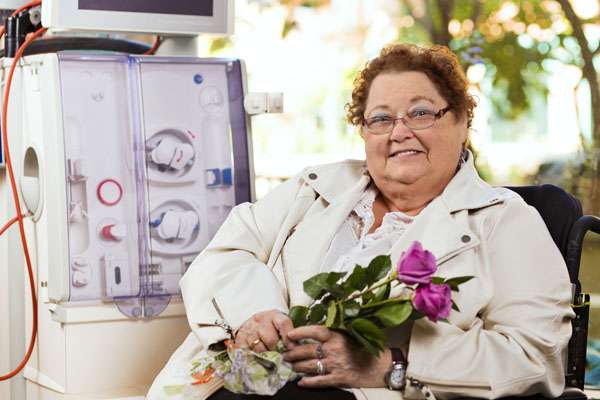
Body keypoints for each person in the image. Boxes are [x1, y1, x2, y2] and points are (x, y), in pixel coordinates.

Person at [148, 43, 574, 400]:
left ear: (463, 120)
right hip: (241, 385)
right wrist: (253, 312)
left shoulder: (507, 221)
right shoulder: (313, 187)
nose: (399, 131)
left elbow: (534, 357)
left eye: (421, 113)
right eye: (381, 118)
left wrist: (390, 366)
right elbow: (227, 252)